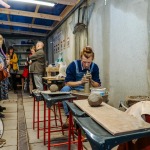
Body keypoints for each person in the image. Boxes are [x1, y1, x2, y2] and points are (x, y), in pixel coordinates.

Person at [61, 46, 101, 128]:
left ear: (92, 59)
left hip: (87, 91)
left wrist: (91, 81)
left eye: (89, 62)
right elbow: (67, 83)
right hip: (74, 89)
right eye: (84, 62)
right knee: (65, 90)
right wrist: (81, 82)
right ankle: (69, 117)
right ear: (80, 58)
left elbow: (98, 84)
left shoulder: (94, 67)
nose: (86, 65)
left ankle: (93, 119)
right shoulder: (73, 65)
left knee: (100, 94)